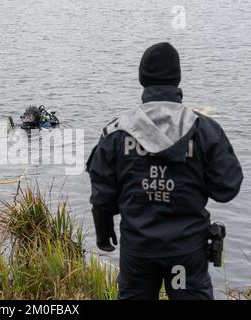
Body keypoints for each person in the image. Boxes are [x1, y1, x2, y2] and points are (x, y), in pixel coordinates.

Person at [86, 42, 243, 300]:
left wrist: (103, 231)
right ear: (177, 78)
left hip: (138, 250)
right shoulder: (203, 129)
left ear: (142, 79)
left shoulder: (117, 131)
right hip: (186, 251)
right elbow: (228, 188)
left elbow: (102, 193)